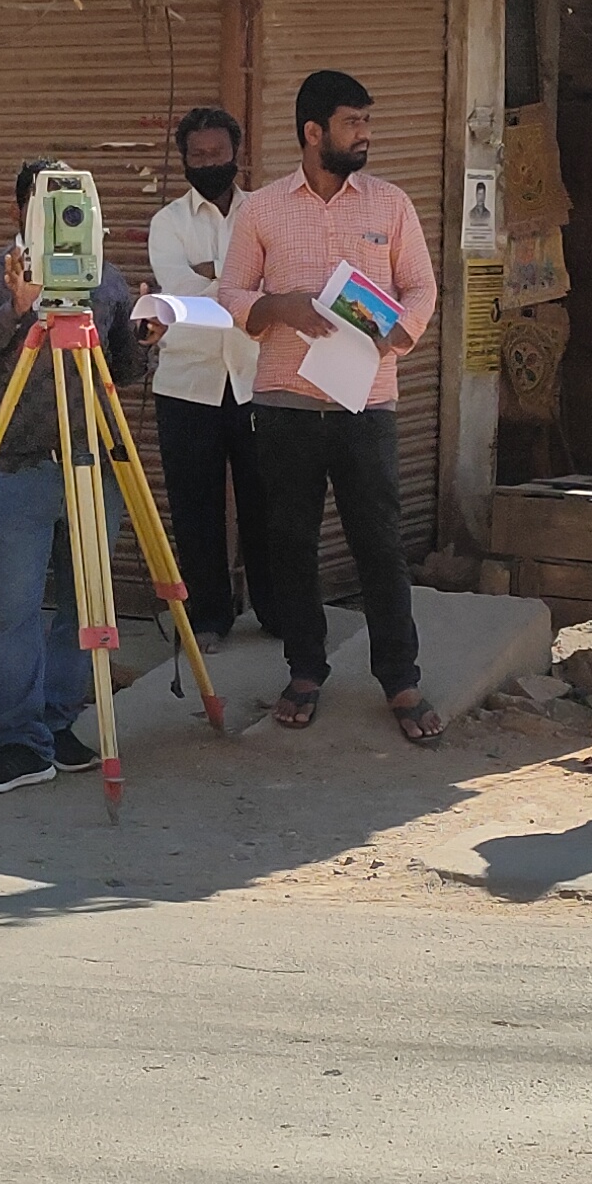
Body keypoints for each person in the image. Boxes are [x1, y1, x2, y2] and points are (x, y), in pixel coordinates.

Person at [217, 69, 443, 747]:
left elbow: (421, 287)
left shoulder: (390, 204)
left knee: (380, 545)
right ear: (313, 132)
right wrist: (273, 307)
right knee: (291, 543)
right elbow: (229, 293)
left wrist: (395, 334)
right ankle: (304, 671)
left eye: (368, 121)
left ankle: (400, 677)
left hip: (366, 404)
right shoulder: (259, 209)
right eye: (353, 122)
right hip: (285, 403)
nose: (366, 134)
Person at [0, 158, 156, 792]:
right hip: (18, 467)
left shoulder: (106, 281)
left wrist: (145, 339)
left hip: (95, 467)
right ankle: (21, 743)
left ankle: (59, 725)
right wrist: (15, 308)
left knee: (84, 607)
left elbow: (124, 373)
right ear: (17, 211)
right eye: (44, 204)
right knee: (14, 611)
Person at [145, 105, 270, 653]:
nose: (208, 163)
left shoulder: (265, 214)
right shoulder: (168, 223)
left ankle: (276, 610)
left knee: (266, 502)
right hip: (186, 385)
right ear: (185, 159)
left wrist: (213, 281)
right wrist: (241, 288)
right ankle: (208, 619)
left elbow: (278, 282)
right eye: (198, 156)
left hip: (256, 380)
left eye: (218, 154)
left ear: (236, 155)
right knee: (194, 508)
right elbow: (178, 300)